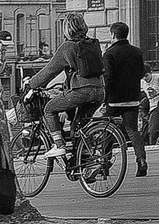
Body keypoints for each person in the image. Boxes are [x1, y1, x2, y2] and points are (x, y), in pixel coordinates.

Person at [27, 13, 105, 159]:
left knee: (49, 109)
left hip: (81, 91)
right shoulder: (93, 43)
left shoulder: (68, 46)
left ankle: (59, 145)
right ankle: (86, 160)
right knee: (80, 124)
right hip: (100, 90)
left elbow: (49, 71)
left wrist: (30, 84)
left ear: (67, 28)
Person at [104, 23, 147, 177]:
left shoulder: (109, 54)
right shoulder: (137, 52)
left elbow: (108, 77)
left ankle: (105, 163)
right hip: (133, 98)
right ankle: (141, 160)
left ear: (113, 35)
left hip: (114, 99)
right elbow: (142, 72)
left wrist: (105, 97)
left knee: (107, 130)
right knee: (132, 130)